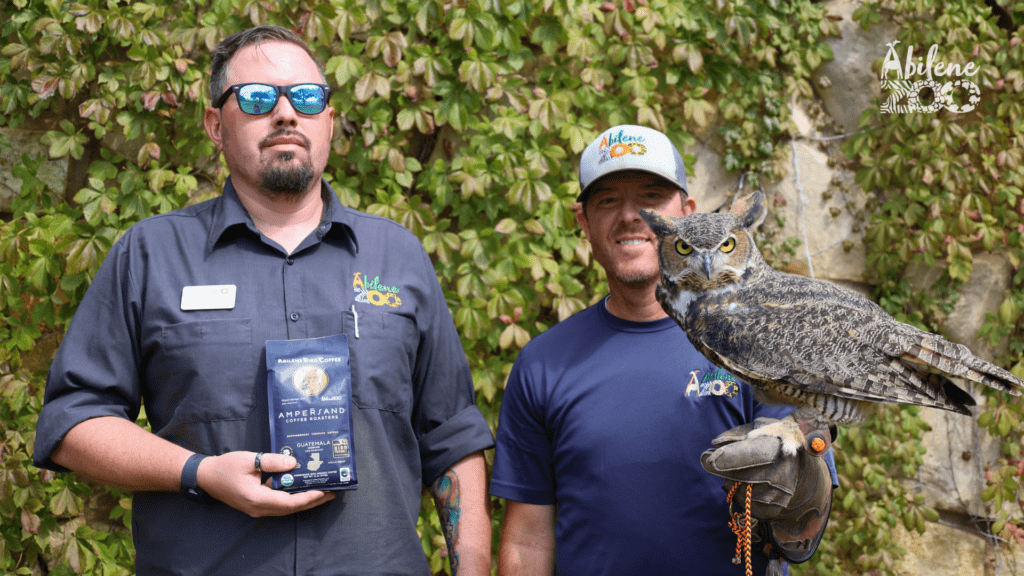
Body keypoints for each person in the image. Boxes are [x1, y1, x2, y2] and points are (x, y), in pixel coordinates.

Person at [33, 25, 494, 576]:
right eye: (256, 98)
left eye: (305, 97)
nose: (285, 113)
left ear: (326, 120)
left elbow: (451, 437)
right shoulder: (150, 254)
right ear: (215, 125)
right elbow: (73, 421)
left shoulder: (399, 257)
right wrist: (198, 471)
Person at [490, 125, 837, 575]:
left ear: (688, 214)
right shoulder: (543, 364)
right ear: (584, 221)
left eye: (651, 197)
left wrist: (802, 499)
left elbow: (804, 528)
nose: (631, 216)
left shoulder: (758, 343)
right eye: (608, 200)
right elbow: (527, 539)